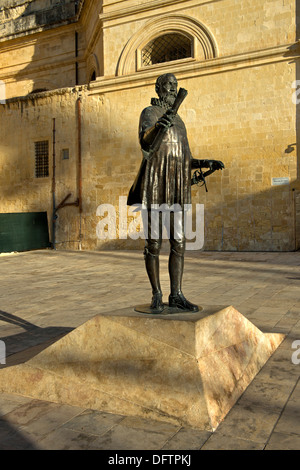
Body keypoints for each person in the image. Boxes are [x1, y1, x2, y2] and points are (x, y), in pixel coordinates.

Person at [128, 73, 224, 313]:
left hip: (176, 188)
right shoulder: (149, 112)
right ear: (158, 88)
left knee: (178, 243)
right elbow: (146, 143)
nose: (173, 89)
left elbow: (185, 158)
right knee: (153, 243)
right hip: (154, 186)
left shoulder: (179, 120)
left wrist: (205, 162)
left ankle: (177, 294)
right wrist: (159, 126)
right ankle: (157, 294)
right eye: (168, 85)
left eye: (175, 85)